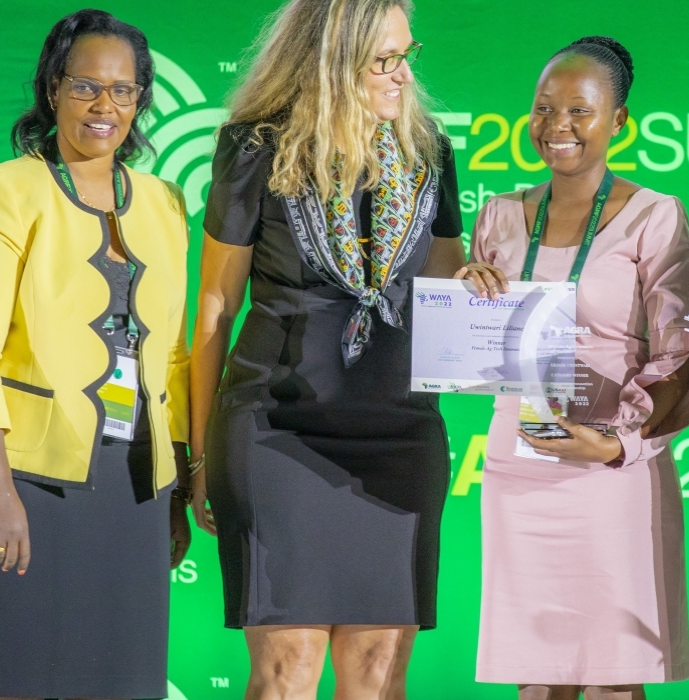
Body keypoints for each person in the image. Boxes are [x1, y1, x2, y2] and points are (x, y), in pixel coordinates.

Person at [187, 0, 467, 697]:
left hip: (399, 434)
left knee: (378, 676)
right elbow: (217, 309)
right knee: (287, 672)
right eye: (383, 59)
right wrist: (199, 455)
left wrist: (480, 290)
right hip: (276, 431)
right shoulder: (255, 147)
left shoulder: (427, 150)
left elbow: (442, 289)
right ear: (331, 60)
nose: (402, 74)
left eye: (407, 54)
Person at [0, 9, 193, 700]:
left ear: (140, 100)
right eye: (85, 86)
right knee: (15, 678)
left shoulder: (166, 205)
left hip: (135, 483)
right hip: (26, 476)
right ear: (53, 89)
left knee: (121, 681)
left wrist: (179, 481)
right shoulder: (4, 191)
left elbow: (172, 360)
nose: (105, 105)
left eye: (124, 89)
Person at [461, 36, 689, 700]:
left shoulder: (655, 216)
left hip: (611, 470)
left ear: (619, 121)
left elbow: (676, 357)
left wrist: (617, 443)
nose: (557, 127)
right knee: (537, 682)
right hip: (520, 465)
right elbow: (474, 348)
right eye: (543, 109)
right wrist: (466, 293)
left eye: (579, 110)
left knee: (612, 682)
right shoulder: (498, 216)